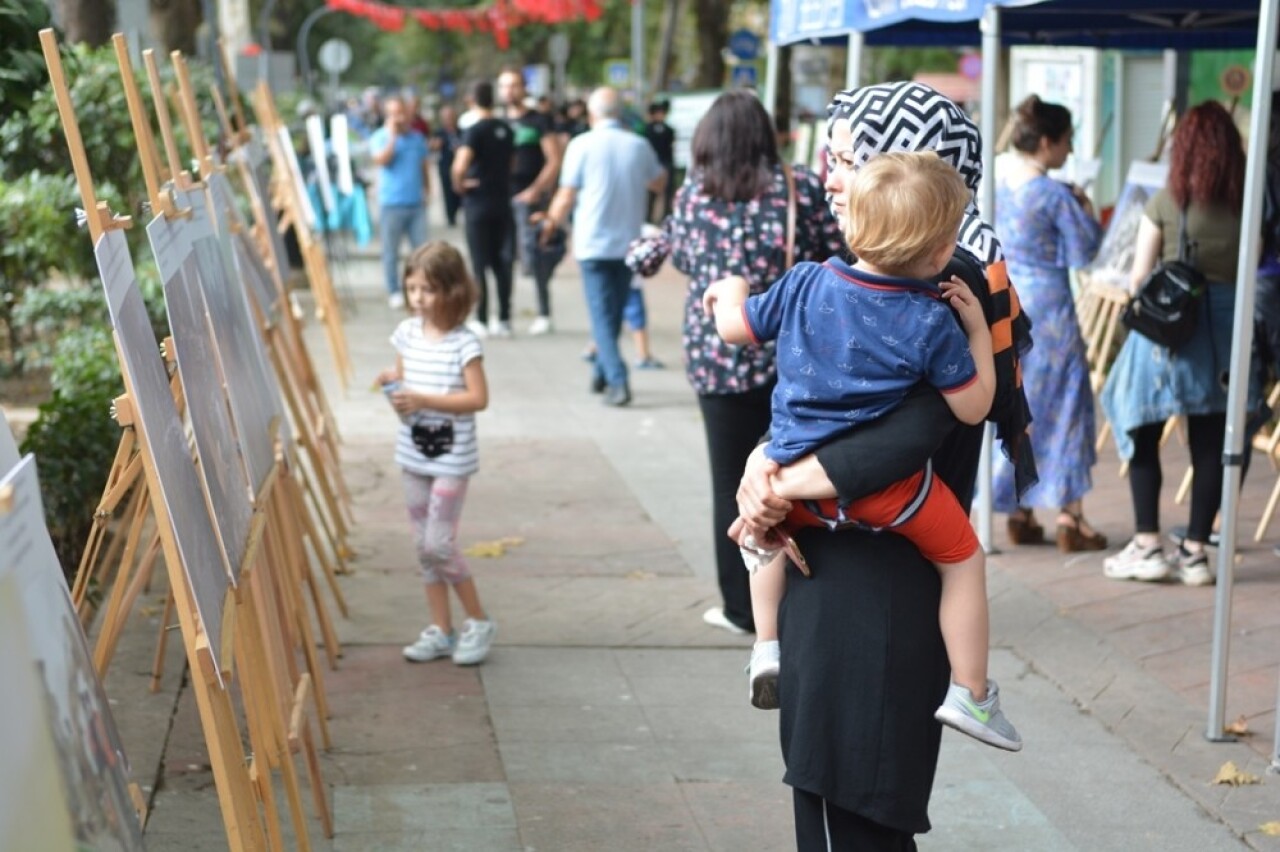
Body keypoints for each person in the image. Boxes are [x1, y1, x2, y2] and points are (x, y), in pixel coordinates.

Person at [735, 81, 1036, 848]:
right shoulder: (882, 269)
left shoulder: (953, 277)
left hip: (879, 587)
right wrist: (763, 464)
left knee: (862, 812)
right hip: (834, 571)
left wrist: (780, 480)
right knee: (826, 798)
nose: (828, 176)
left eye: (842, 159)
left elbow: (900, 437)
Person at [704, 151, 1021, 752]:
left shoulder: (803, 282)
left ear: (852, 226)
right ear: (938, 255)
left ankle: (766, 647)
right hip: (890, 494)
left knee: (762, 537)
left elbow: (734, 328)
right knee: (962, 558)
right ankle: (972, 693)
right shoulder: (932, 321)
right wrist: (979, 330)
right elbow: (973, 406)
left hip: (794, 476)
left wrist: (730, 290)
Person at [651, 90, 845, 635]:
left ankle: (740, 607)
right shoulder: (799, 186)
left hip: (715, 355)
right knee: (789, 477)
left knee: (727, 482)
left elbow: (686, 259)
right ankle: (797, 598)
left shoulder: (693, 195)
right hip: (786, 355)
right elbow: (835, 252)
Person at [1100, 101, 1249, 587]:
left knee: (1142, 426)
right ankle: (1195, 554)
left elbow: (1141, 276)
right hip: (1224, 335)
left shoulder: (1167, 200)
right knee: (1209, 440)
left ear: (1182, 149)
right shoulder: (1247, 201)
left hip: (1170, 334)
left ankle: (1147, 544)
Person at [375, 241, 496, 666]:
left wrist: (422, 399)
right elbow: (406, 381)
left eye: (426, 290)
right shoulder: (406, 333)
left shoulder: (465, 343)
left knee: (439, 543)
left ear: (451, 291)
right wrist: (395, 386)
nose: (418, 299)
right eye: (412, 289)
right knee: (423, 548)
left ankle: (478, 621)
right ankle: (441, 629)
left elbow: (478, 398)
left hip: (451, 460)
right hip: (413, 454)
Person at [994, 95, 1106, 552]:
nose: (1069, 150)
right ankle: (1070, 515)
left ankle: (1020, 510)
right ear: (1046, 142)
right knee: (1068, 407)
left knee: (1021, 409)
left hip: (1009, 305)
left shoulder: (999, 187)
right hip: (1053, 312)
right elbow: (1085, 251)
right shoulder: (1054, 194)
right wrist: (1086, 206)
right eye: (1066, 141)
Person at [538, 87, 667, 407]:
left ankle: (618, 380)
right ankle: (601, 371)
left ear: (592, 114)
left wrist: (550, 222)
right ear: (620, 113)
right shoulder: (639, 146)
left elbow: (566, 194)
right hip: (628, 245)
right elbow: (660, 181)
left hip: (592, 244)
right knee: (612, 313)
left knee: (601, 315)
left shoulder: (581, 145)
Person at [498, 68, 565, 336]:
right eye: (505, 86)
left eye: (514, 85)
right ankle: (504, 314)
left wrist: (537, 190)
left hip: (530, 199)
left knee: (536, 256)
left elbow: (554, 159)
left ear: (524, 88)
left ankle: (543, 312)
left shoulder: (539, 121)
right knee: (504, 257)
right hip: (502, 198)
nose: (510, 91)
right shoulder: (499, 122)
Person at [451, 81, 515, 340]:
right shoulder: (506, 129)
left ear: (472, 100)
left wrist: (460, 186)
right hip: (502, 200)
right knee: (502, 263)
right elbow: (511, 162)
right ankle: (505, 318)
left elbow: (459, 166)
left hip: (478, 203)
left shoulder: (473, 131)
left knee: (480, 263)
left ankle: (482, 317)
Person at [370, 94, 432, 310]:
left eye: (401, 112)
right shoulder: (380, 137)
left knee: (422, 251)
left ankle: (421, 288)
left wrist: (428, 190)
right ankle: (394, 290)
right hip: (391, 203)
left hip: (415, 203)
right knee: (391, 251)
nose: (399, 117)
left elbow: (424, 166)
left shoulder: (417, 138)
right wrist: (393, 138)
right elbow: (381, 160)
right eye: (394, 113)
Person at [431, 104, 463, 227]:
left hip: (460, 166)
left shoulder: (461, 131)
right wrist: (436, 144)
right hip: (445, 166)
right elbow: (432, 147)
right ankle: (451, 216)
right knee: (448, 192)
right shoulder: (439, 132)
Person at [644, 99, 676, 221]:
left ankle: (666, 217)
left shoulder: (669, 130)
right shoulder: (647, 129)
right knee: (650, 193)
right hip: (652, 163)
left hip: (666, 162)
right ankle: (648, 218)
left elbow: (671, 149)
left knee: (668, 193)